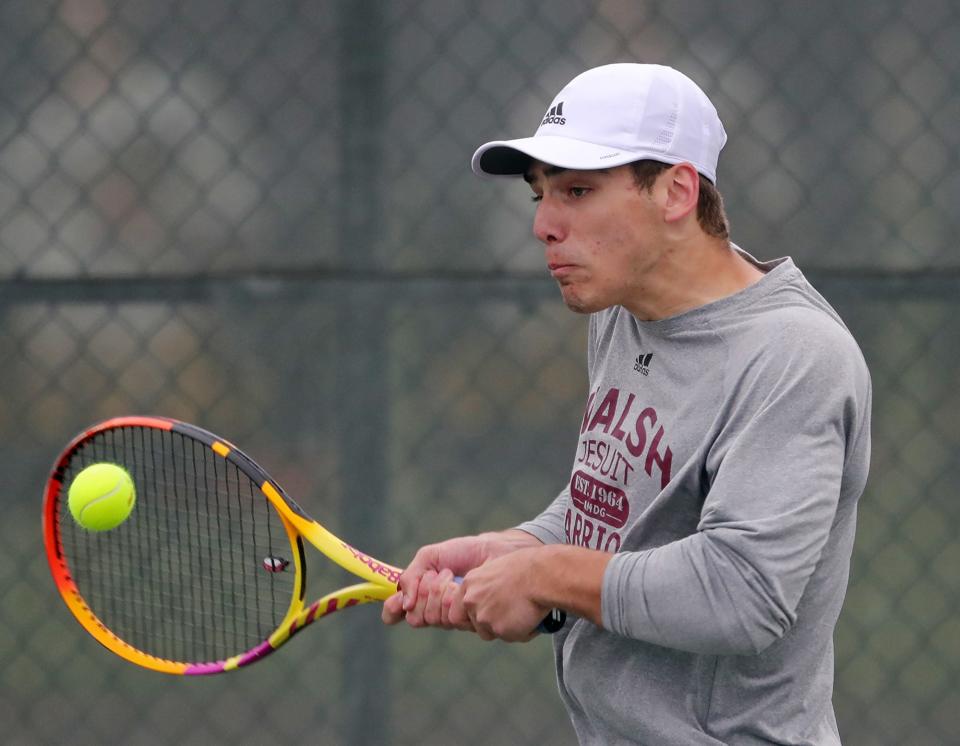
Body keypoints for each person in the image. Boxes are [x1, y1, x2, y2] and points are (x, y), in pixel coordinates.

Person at [382, 63, 872, 746]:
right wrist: (517, 549)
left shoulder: (796, 357)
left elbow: (742, 595)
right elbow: (613, 506)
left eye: (578, 190)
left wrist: (544, 574)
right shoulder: (622, 312)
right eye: (540, 195)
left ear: (676, 191)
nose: (546, 225)